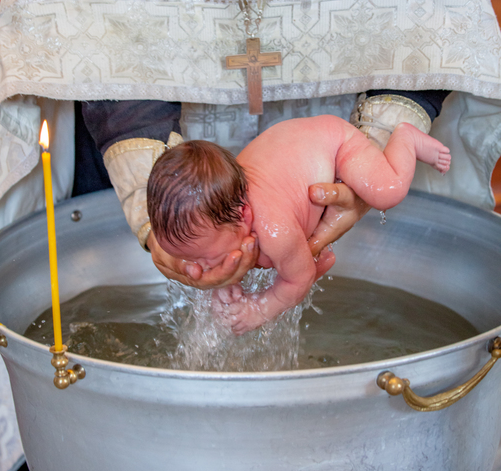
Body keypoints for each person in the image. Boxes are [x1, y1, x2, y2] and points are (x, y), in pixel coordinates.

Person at [0, 0, 500, 471]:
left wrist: (372, 146)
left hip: (321, 150)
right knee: (101, 442)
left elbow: (423, 10)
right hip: (138, 144)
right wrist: (144, 179)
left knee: (342, 454)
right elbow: (85, 18)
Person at [148, 120, 450, 333]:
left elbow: (301, 277)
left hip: (333, 141)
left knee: (387, 191)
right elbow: (223, 245)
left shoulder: (274, 231)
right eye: (187, 258)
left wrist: (261, 309)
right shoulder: (226, 214)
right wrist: (227, 284)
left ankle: (407, 138)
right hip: (288, 146)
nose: (195, 269)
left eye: (202, 258)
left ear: (244, 216)